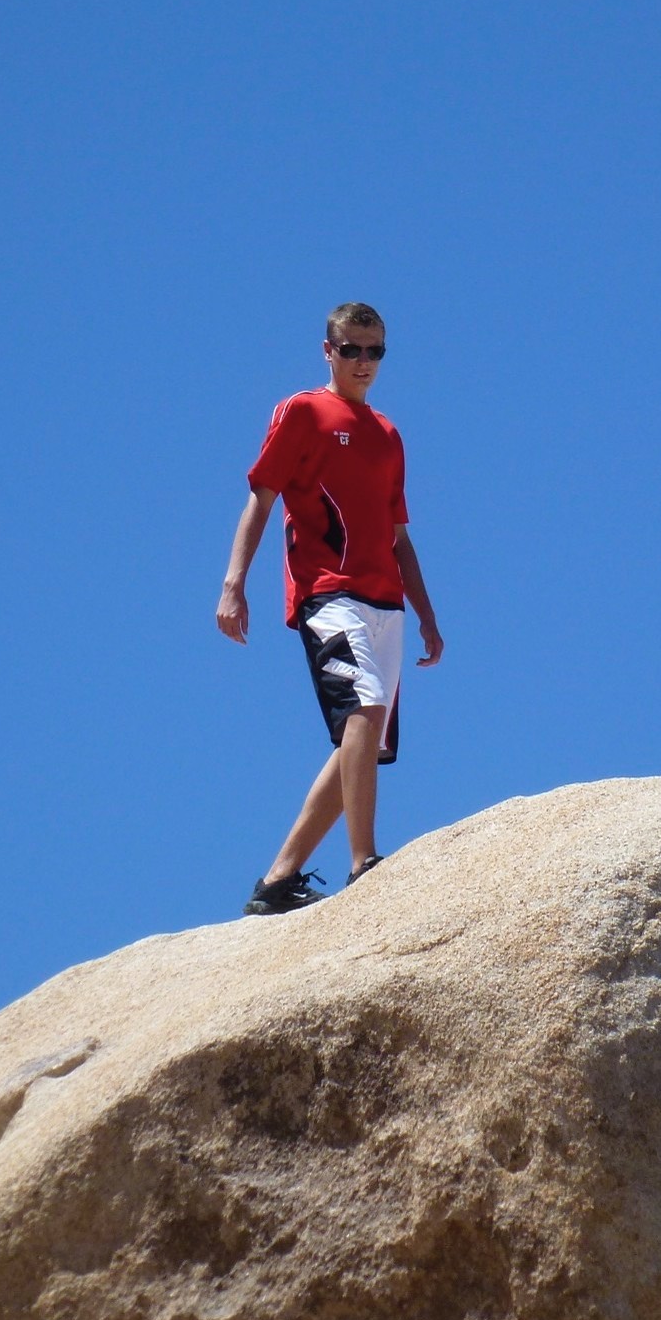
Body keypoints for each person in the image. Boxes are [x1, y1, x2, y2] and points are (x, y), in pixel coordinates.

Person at [215, 302, 443, 915]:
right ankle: (363, 862)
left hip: (387, 603)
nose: (363, 361)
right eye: (351, 349)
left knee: (362, 743)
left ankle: (278, 880)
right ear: (328, 351)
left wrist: (426, 614)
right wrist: (234, 584)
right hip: (327, 592)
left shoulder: (388, 434)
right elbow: (262, 499)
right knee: (361, 709)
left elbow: (399, 536)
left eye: (375, 351)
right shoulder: (303, 411)